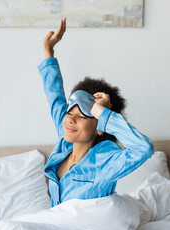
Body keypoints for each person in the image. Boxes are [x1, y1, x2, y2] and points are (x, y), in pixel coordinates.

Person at [38, 17, 154, 208]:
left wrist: (103, 113)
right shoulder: (65, 143)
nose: (70, 120)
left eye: (83, 116)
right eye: (70, 113)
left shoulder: (106, 160)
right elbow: (55, 97)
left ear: (100, 127)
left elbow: (144, 148)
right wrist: (48, 53)